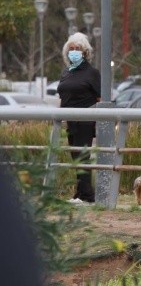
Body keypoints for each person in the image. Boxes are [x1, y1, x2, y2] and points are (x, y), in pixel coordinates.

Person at [57, 32, 100, 204]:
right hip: (69, 120)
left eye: (77, 49)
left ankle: (87, 196)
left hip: (85, 120)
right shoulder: (67, 72)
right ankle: (80, 193)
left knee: (83, 156)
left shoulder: (92, 73)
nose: (74, 51)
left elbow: (100, 99)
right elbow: (63, 95)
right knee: (75, 157)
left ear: (85, 52)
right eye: (71, 49)